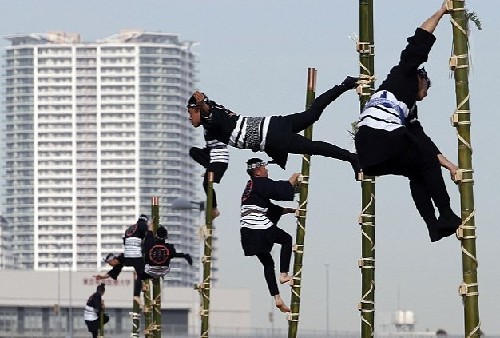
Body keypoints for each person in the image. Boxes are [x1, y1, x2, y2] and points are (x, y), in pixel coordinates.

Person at [354, 1, 461, 242]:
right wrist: (443, 11)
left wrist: (451, 167)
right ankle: (445, 214)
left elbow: (425, 144)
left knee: (418, 170)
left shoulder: (407, 113)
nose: (426, 94)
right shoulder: (403, 74)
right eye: (427, 88)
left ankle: (434, 226)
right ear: (420, 79)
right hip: (381, 136)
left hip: (369, 151)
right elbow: (420, 39)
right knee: (425, 163)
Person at [187, 76, 360, 179]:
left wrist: (202, 105)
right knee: (313, 114)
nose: (189, 118)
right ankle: (345, 85)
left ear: (197, 110)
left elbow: (208, 114)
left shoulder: (212, 117)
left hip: (272, 135)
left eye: (190, 113)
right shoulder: (216, 112)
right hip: (273, 124)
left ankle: (351, 158)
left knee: (313, 147)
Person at [240, 158, 299, 313]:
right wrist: (294, 178)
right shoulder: (259, 182)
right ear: (257, 171)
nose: (267, 170)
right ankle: (284, 274)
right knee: (287, 239)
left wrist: (290, 210)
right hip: (257, 227)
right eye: (264, 168)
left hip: (247, 232)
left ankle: (277, 298)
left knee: (268, 263)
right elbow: (279, 190)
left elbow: (270, 207)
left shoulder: (250, 187)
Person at [94, 214, 149, 307]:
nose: (110, 264)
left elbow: (114, 271)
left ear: (113, 259)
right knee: (141, 272)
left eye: (109, 263)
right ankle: (137, 294)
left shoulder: (130, 228)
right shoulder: (142, 225)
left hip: (131, 255)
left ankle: (142, 286)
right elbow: (148, 235)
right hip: (135, 255)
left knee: (138, 271)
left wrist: (103, 277)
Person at [189, 136, 229, 219]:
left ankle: (214, 209)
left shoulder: (213, 125)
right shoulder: (206, 130)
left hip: (220, 160)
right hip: (211, 156)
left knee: (206, 184)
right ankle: (209, 168)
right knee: (193, 151)